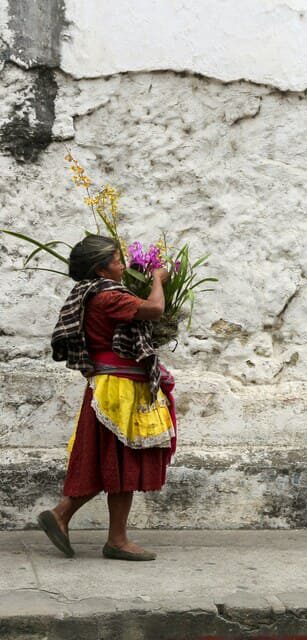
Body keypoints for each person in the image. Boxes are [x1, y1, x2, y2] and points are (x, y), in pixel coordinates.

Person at [37, 234, 177, 561]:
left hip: (109, 385)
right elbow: (155, 309)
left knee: (112, 460)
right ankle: (106, 535)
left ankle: (84, 523)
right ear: (101, 269)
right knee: (121, 460)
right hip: (119, 390)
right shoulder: (109, 297)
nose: (123, 265)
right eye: (116, 260)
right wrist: (157, 278)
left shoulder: (91, 293)